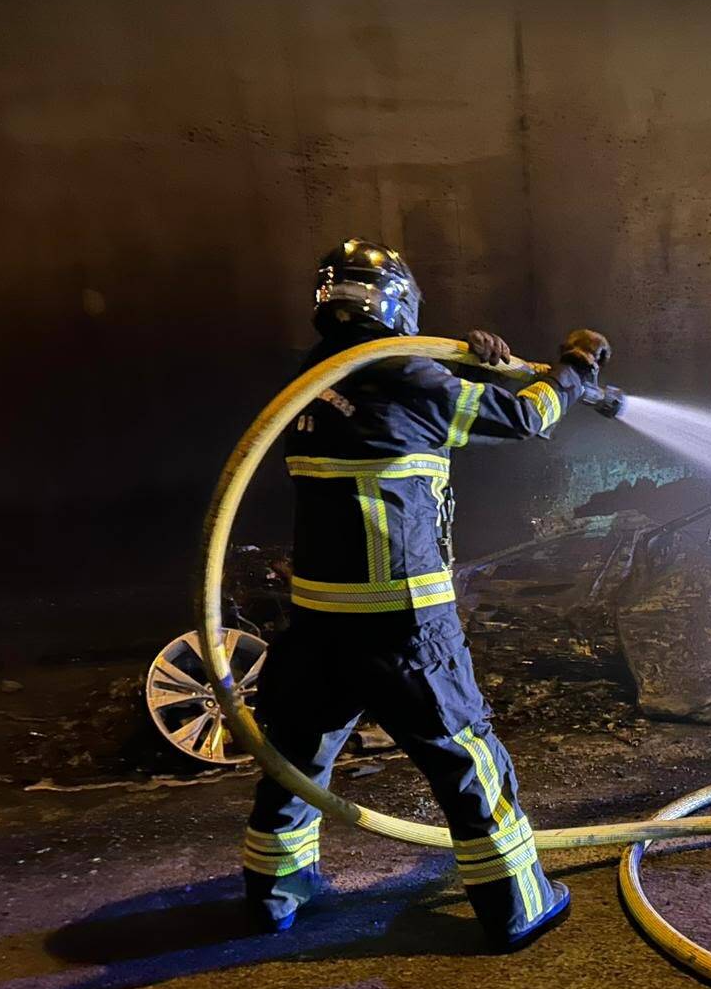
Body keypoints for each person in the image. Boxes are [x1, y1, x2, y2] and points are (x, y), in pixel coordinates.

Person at [242, 237, 611, 950]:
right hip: (403, 625)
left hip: (317, 623)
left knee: (296, 757)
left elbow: (385, 411)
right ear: (398, 303)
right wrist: (574, 369)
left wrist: (456, 358)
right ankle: (515, 905)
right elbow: (522, 418)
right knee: (465, 757)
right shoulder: (409, 379)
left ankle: (274, 894)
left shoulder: (308, 381)